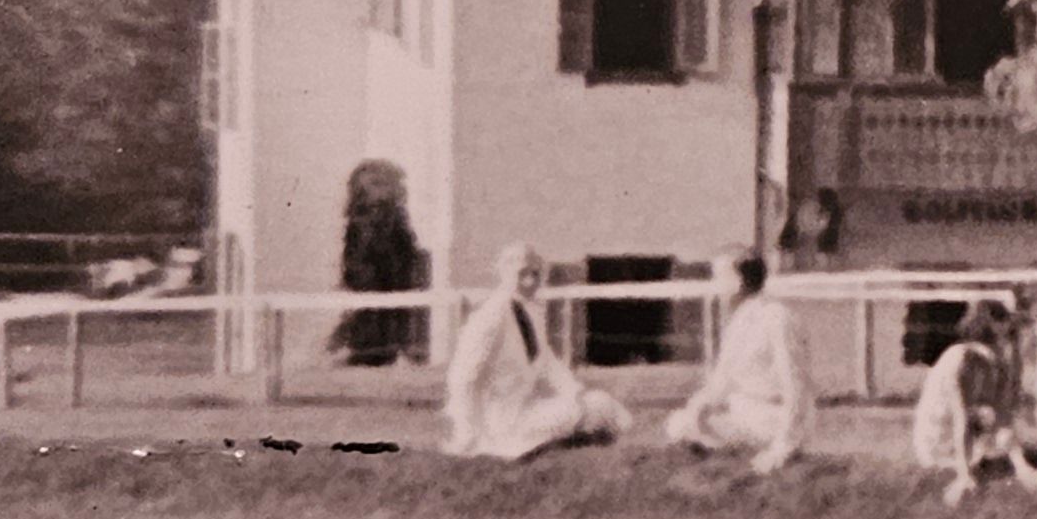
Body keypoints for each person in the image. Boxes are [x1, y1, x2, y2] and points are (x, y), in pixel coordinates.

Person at [439, 245, 629, 460]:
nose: (530, 281)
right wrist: (466, 433)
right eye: (522, 274)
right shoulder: (488, 317)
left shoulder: (530, 312)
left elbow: (547, 362)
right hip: (499, 424)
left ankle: (596, 451)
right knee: (593, 410)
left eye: (535, 274)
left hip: (526, 412)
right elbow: (463, 378)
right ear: (504, 273)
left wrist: (576, 392)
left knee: (600, 403)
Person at [662, 249, 810, 470]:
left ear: (740, 281)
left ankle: (750, 453)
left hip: (772, 420)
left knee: (688, 430)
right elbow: (721, 383)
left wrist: (783, 446)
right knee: (679, 424)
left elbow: (796, 387)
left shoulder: (778, 318)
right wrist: (697, 408)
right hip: (743, 415)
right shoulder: (738, 320)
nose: (715, 285)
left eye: (720, 277)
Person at [909, 299, 1037, 505]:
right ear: (990, 327)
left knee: (1006, 435)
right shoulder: (962, 359)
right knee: (999, 435)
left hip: (969, 439)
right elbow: (963, 418)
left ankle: (1030, 480)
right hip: (938, 444)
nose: (1012, 335)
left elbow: (1003, 417)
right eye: (1005, 326)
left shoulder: (993, 363)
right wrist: (964, 472)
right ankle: (965, 482)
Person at [332, 159, 426, 366]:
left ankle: (382, 351)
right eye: (374, 184)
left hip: (390, 284)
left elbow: (404, 253)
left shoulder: (395, 218)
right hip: (366, 284)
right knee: (367, 321)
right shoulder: (357, 221)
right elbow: (354, 254)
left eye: (383, 184)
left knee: (384, 321)